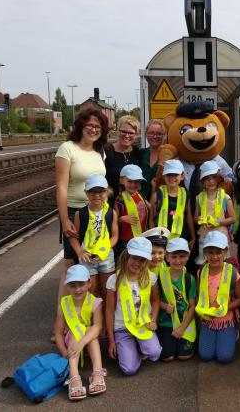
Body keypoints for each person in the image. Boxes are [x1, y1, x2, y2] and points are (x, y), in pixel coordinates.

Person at [54, 108, 109, 342]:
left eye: (98, 126)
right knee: (70, 268)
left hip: (96, 213)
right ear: (80, 126)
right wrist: (65, 218)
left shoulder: (100, 153)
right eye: (90, 125)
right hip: (76, 211)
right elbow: (62, 187)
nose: (94, 129)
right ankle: (60, 326)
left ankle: (88, 320)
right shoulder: (67, 149)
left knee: (91, 267)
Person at [105, 237, 162, 375]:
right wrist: (111, 340)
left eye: (142, 260)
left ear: (147, 261)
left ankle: (138, 346)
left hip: (142, 324)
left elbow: (155, 300)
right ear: (127, 256)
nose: (137, 263)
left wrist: (153, 319)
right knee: (129, 369)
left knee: (155, 354)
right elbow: (109, 310)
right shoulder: (114, 280)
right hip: (123, 329)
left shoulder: (150, 277)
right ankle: (131, 347)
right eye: (134, 258)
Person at [55, 265, 106, 401]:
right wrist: (63, 352)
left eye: (81, 284)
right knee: (73, 332)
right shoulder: (63, 304)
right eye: (72, 285)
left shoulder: (95, 302)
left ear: (89, 283)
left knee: (89, 330)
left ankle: (97, 372)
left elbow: (98, 326)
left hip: (89, 342)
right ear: (67, 286)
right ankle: (74, 376)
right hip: (71, 344)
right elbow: (58, 333)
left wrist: (82, 342)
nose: (77, 289)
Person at [195, 231, 240, 364]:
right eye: (210, 252)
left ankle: (232, 332)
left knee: (224, 357)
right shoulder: (201, 271)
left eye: (219, 252)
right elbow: (199, 295)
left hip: (226, 319)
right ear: (205, 253)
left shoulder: (232, 272)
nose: (215, 256)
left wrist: (222, 309)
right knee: (205, 355)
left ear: (225, 252)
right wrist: (204, 311)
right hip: (208, 319)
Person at [68, 174, 118, 305]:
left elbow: (114, 236)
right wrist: (80, 252)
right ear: (86, 193)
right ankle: (95, 319)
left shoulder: (111, 213)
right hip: (87, 257)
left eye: (100, 191)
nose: (97, 195)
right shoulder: (81, 214)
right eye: (92, 191)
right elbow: (73, 237)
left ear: (106, 191)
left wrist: (105, 249)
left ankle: (106, 318)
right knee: (92, 290)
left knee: (107, 289)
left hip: (105, 256)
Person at [156, 238, 198, 361]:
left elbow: (192, 306)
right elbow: (154, 300)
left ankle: (187, 342)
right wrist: (164, 306)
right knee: (167, 357)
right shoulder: (160, 277)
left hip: (184, 321)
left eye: (182, 256)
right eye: (174, 257)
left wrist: (182, 328)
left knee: (183, 356)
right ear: (167, 257)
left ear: (188, 256)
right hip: (166, 322)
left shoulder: (190, 279)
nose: (178, 260)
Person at [193, 160, 236, 268]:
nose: (210, 181)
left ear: (218, 179)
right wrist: (201, 220)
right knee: (204, 262)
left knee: (222, 263)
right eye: (207, 178)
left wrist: (217, 222)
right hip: (204, 234)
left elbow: (233, 218)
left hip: (221, 234)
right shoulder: (199, 198)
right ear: (202, 181)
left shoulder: (225, 197)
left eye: (213, 178)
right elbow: (195, 218)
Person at [149, 159, 196, 250]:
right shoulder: (157, 195)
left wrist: (193, 237)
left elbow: (188, 216)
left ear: (182, 176)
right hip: (161, 238)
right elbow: (151, 219)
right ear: (164, 176)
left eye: (175, 175)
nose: (172, 178)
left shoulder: (185, 193)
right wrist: (153, 239)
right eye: (169, 175)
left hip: (181, 237)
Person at [114, 164, 149, 258]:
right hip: (126, 242)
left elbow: (151, 208)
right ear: (122, 181)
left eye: (136, 181)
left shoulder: (142, 195)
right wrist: (121, 219)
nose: (133, 185)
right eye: (130, 181)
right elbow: (113, 223)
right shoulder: (119, 200)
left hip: (142, 239)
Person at [105, 115, 142, 199]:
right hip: (112, 203)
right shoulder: (107, 151)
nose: (127, 135)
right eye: (123, 132)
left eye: (131, 133)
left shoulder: (137, 153)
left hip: (133, 203)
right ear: (118, 131)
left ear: (136, 135)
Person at [140, 119, 167, 200]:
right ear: (146, 135)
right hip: (141, 202)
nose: (155, 136)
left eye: (159, 133)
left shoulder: (169, 156)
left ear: (164, 135)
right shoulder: (141, 154)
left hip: (162, 203)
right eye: (151, 133)